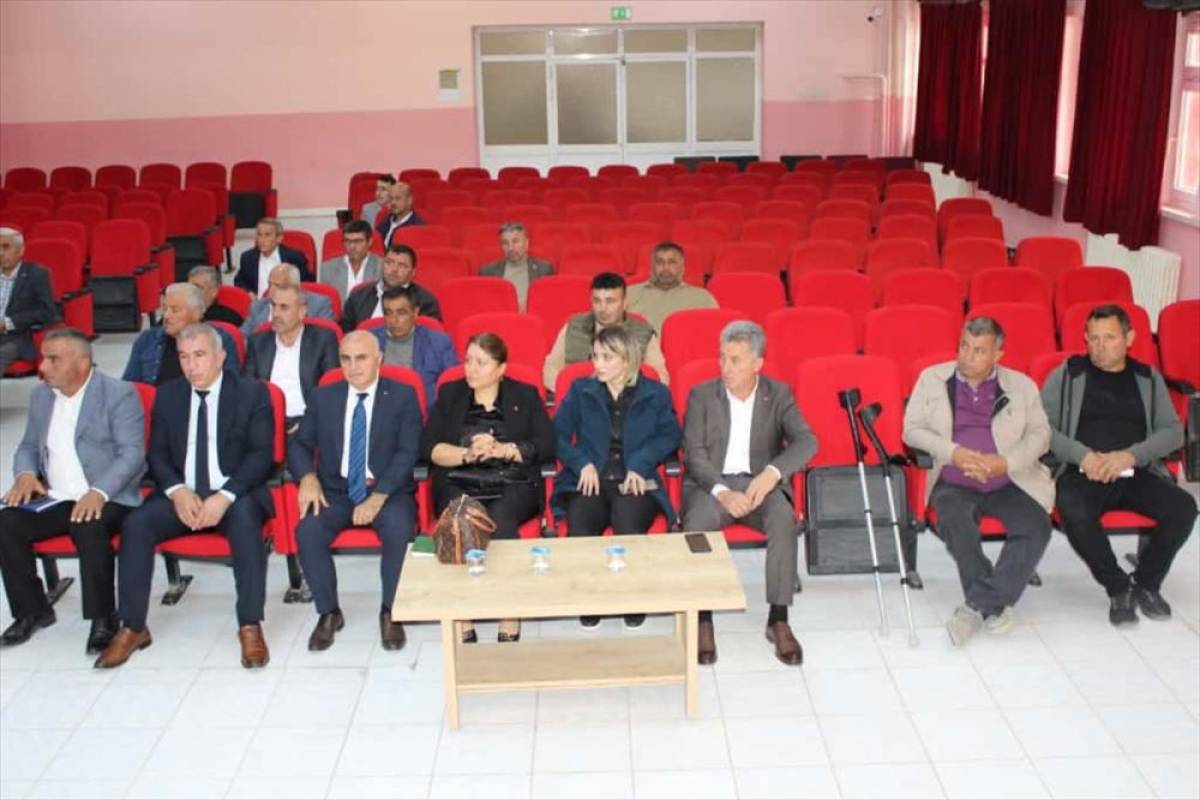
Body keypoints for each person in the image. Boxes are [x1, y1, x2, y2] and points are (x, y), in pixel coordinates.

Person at [96, 323, 276, 669]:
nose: (191, 365)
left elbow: (261, 455)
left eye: (199, 355)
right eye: (183, 357)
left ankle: (250, 624)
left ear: (220, 357)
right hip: (183, 494)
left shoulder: (251, 393)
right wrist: (177, 491)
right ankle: (133, 626)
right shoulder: (169, 395)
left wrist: (224, 496)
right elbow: (157, 454)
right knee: (136, 526)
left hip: (234, 493)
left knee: (246, 526)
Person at [904, 317, 1054, 646]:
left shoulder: (1022, 386)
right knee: (957, 523)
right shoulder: (932, 379)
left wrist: (1005, 462)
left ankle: (977, 605)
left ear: (998, 355)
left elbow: (1041, 436)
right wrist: (954, 453)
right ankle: (995, 601)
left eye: (979, 351)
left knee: (1037, 527)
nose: (967, 356)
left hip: (1008, 480)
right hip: (953, 480)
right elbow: (911, 430)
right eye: (964, 347)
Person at [1042, 304, 1195, 626]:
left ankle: (1147, 583)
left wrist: (1130, 456)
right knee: (1075, 510)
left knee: (1184, 508)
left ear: (1129, 338)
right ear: (1085, 338)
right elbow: (1041, 428)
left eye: (1110, 338)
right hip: (1083, 471)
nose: (1100, 346)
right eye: (1094, 338)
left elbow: (1171, 432)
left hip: (1135, 470)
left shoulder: (1147, 378)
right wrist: (1082, 455)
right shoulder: (1069, 373)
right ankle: (1117, 586)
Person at [0, 329, 145, 653]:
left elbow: (132, 454)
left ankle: (103, 618)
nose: (42, 367)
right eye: (43, 358)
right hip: (57, 497)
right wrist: (25, 474)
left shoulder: (118, 394)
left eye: (53, 360)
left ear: (82, 363)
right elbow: (28, 446)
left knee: (88, 524)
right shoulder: (41, 396)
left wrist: (98, 491)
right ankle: (31, 611)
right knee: (7, 522)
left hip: (110, 495)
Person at [681, 321, 816, 665]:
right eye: (722, 358)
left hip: (759, 485)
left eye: (735, 360)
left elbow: (807, 441)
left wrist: (772, 473)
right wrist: (723, 492)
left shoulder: (778, 394)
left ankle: (778, 619)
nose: (725, 367)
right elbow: (693, 454)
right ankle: (703, 618)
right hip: (712, 486)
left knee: (784, 520)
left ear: (757, 363)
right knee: (696, 526)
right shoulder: (701, 395)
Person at [289, 331, 422, 652]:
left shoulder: (402, 395)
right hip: (336, 490)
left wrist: (378, 497)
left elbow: (408, 453)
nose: (353, 366)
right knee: (308, 530)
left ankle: (391, 611)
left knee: (398, 528)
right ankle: (329, 612)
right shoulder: (324, 397)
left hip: (388, 491)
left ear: (379, 359)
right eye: (345, 359)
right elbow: (299, 444)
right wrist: (307, 476)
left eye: (361, 358)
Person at [422, 332, 555, 643]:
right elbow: (429, 447)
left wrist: (502, 450)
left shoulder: (525, 395)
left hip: (512, 480)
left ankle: (508, 612)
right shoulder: (450, 394)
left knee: (502, 520)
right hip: (460, 479)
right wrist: (467, 454)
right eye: (468, 360)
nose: (471, 369)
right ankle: (463, 612)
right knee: (461, 520)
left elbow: (547, 445)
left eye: (481, 363)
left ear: (501, 369)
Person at [551, 325, 681, 629]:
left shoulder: (655, 393)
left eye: (606, 357)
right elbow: (555, 435)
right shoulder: (581, 390)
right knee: (581, 519)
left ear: (626, 360)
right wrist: (581, 463)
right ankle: (590, 597)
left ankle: (631, 596)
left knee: (628, 517)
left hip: (634, 479)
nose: (597, 364)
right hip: (590, 480)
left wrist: (641, 464)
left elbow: (671, 435)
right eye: (595, 356)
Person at [542, 272, 668, 391]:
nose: (603, 308)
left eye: (610, 301)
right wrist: (574, 392)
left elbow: (660, 377)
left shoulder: (643, 332)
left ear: (625, 303)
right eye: (597, 301)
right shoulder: (573, 327)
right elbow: (550, 370)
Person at [243, 284, 339, 433]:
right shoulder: (258, 342)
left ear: (302, 312)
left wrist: (308, 424)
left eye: (284, 307)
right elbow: (247, 389)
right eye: (273, 306)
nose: (275, 314)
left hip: (307, 423)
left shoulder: (323, 340)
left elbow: (330, 391)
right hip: (266, 424)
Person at [122, 282, 240, 384]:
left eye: (175, 310)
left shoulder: (220, 340)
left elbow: (229, 385)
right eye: (165, 309)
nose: (166, 316)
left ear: (196, 314)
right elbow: (130, 385)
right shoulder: (147, 339)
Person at [370, 284, 458, 403]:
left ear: (415, 312)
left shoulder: (437, 342)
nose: (394, 320)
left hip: (422, 408)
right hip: (379, 406)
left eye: (401, 313)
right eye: (388, 313)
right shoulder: (369, 340)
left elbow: (453, 383)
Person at [0, 227, 59, 379]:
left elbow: (47, 312)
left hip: (18, 337)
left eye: (5, 247)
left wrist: (7, 324)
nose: (1, 253)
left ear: (20, 250)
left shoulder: (36, 274)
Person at [342, 243, 442, 331]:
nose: (394, 269)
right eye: (389, 263)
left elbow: (429, 337)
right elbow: (346, 333)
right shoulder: (359, 296)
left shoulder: (426, 301)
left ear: (413, 272)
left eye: (402, 265)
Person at [627, 242, 718, 332]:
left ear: (682, 268)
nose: (666, 268)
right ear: (652, 267)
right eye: (660, 262)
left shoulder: (702, 297)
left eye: (672, 262)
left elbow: (713, 331)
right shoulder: (629, 294)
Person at [239, 263, 335, 338]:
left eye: (279, 286)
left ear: (295, 286)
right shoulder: (258, 306)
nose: (271, 290)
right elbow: (241, 337)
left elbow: (325, 338)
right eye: (270, 284)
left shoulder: (318, 305)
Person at [478, 222, 553, 311]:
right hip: (500, 316)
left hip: (530, 317)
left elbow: (548, 304)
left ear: (526, 243)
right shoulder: (488, 272)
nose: (510, 248)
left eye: (515, 241)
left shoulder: (544, 269)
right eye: (505, 243)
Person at [234, 217, 312, 297]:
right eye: (259, 235)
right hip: (259, 303)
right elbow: (239, 281)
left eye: (267, 235)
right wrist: (248, 292)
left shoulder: (294, 257)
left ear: (279, 238)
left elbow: (308, 283)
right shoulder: (248, 258)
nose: (262, 240)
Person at [319, 220, 381, 305]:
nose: (352, 246)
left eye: (358, 241)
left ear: (369, 242)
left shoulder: (382, 267)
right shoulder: (328, 268)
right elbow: (325, 303)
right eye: (348, 241)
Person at [376, 181, 426, 247]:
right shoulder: (384, 221)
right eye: (391, 198)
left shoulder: (417, 227)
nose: (393, 202)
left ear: (409, 200)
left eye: (398, 198)